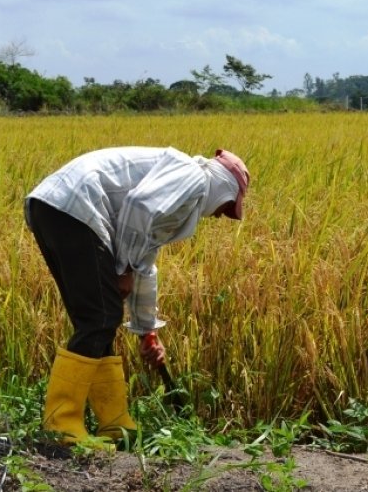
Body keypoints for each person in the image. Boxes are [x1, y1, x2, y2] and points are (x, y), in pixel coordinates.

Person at [24, 146, 250, 447]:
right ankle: (62, 426)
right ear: (224, 188)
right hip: (75, 207)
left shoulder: (179, 193)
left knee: (100, 317)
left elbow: (145, 260)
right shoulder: (194, 178)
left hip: (57, 208)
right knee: (100, 317)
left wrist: (147, 331)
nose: (222, 216)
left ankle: (115, 424)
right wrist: (124, 268)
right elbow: (139, 207)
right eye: (227, 206)